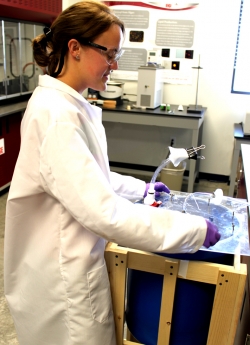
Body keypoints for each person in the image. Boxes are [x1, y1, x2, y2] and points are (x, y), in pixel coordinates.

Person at [4, 1, 220, 345]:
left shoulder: (69, 103)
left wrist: (141, 191)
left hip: (67, 256)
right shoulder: (57, 116)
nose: (115, 65)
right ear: (75, 48)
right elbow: (104, 213)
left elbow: (88, 176)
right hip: (63, 278)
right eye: (109, 54)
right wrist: (189, 229)